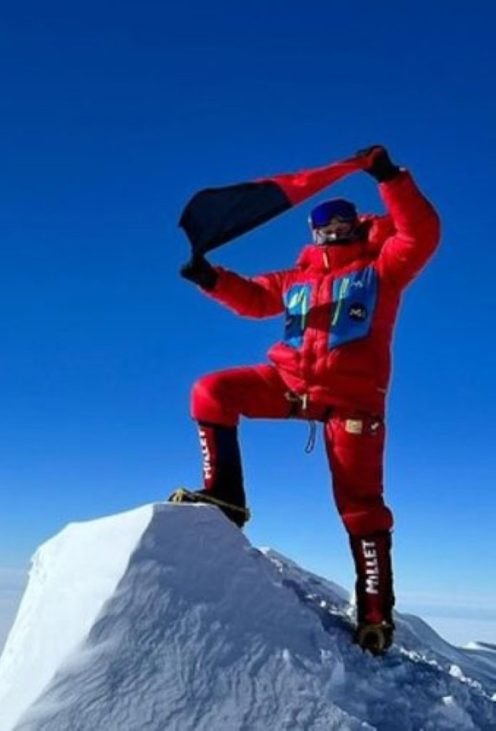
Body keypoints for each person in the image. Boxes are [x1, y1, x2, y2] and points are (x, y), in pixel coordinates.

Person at [171, 146, 440, 655]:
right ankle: (226, 497)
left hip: (354, 403)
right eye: (323, 225)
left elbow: (419, 235)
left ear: (356, 224)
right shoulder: (300, 277)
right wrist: (211, 278)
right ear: (312, 233)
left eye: (341, 222)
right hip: (291, 385)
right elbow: (254, 298)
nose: (333, 231)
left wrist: (389, 177)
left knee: (361, 508)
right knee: (213, 390)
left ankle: (375, 612)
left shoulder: (383, 269)